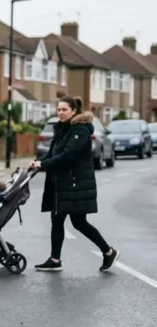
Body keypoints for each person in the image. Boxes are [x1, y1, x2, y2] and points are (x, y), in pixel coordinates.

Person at [29, 96, 119, 272]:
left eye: (64, 110)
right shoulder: (61, 128)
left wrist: (44, 165)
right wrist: (37, 162)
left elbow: (68, 156)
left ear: (74, 111)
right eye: (59, 109)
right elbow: (53, 152)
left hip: (76, 182)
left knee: (79, 222)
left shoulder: (81, 129)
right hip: (62, 182)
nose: (60, 113)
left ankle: (108, 251)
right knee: (57, 219)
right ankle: (55, 260)